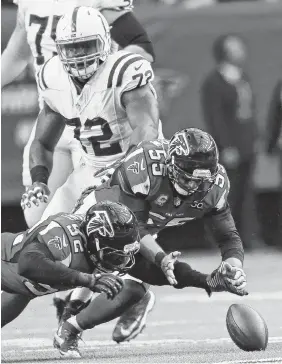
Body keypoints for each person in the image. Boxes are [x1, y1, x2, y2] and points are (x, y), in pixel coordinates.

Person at [56, 127, 247, 350]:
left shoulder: (215, 186)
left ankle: (71, 328)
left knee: (134, 288)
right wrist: (161, 258)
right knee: (66, 267)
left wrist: (234, 267)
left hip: (143, 228)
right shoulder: (146, 164)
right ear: (171, 166)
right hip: (104, 212)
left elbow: (228, 236)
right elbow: (133, 227)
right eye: (188, 179)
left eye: (202, 181)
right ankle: (68, 304)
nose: (195, 187)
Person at [2, 0, 155, 228]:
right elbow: (18, 54)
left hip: (102, 115)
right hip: (60, 107)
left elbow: (142, 48)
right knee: (38, 218)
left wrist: (104, 74)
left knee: (112, 215)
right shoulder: (29, 4)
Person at [1, 201, 135, 328]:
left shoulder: (91, 247)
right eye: (114, 253)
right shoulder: (64, 237)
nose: (119, 260)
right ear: (96, 239)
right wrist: (87, 280)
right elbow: (28, 264)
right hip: (6, 261)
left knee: (28, 289)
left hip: (19, 287)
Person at [200, 34, 258, 245]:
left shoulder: (242, 77)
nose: (241, 51)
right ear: (224, 52)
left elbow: (248, 111)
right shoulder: (214, 82)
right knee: (227, 195)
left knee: (246, 194)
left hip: (246, 144)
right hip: (230, 147)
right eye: (235, 47)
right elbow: (215, 118)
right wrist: (225, 146)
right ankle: (222, 239)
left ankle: (248, 239)